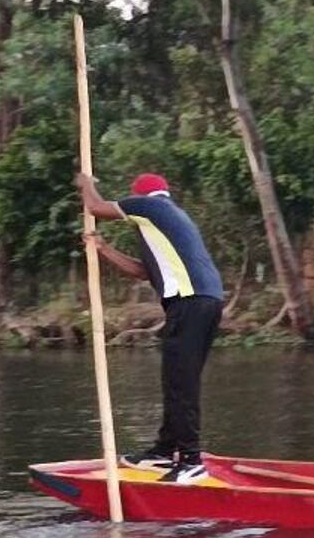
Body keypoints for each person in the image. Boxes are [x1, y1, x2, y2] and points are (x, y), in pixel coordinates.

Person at [76, 171, 226, 483]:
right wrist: (103, 249)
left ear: (140, 196)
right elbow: (145, 272)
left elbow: (96, 208)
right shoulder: (169, 220)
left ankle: (190, 459)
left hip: (191, 301)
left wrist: (86, 184)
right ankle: (165, 449)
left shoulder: (152, 208)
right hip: (203, 302)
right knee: (176, 379)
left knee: (181, 383)